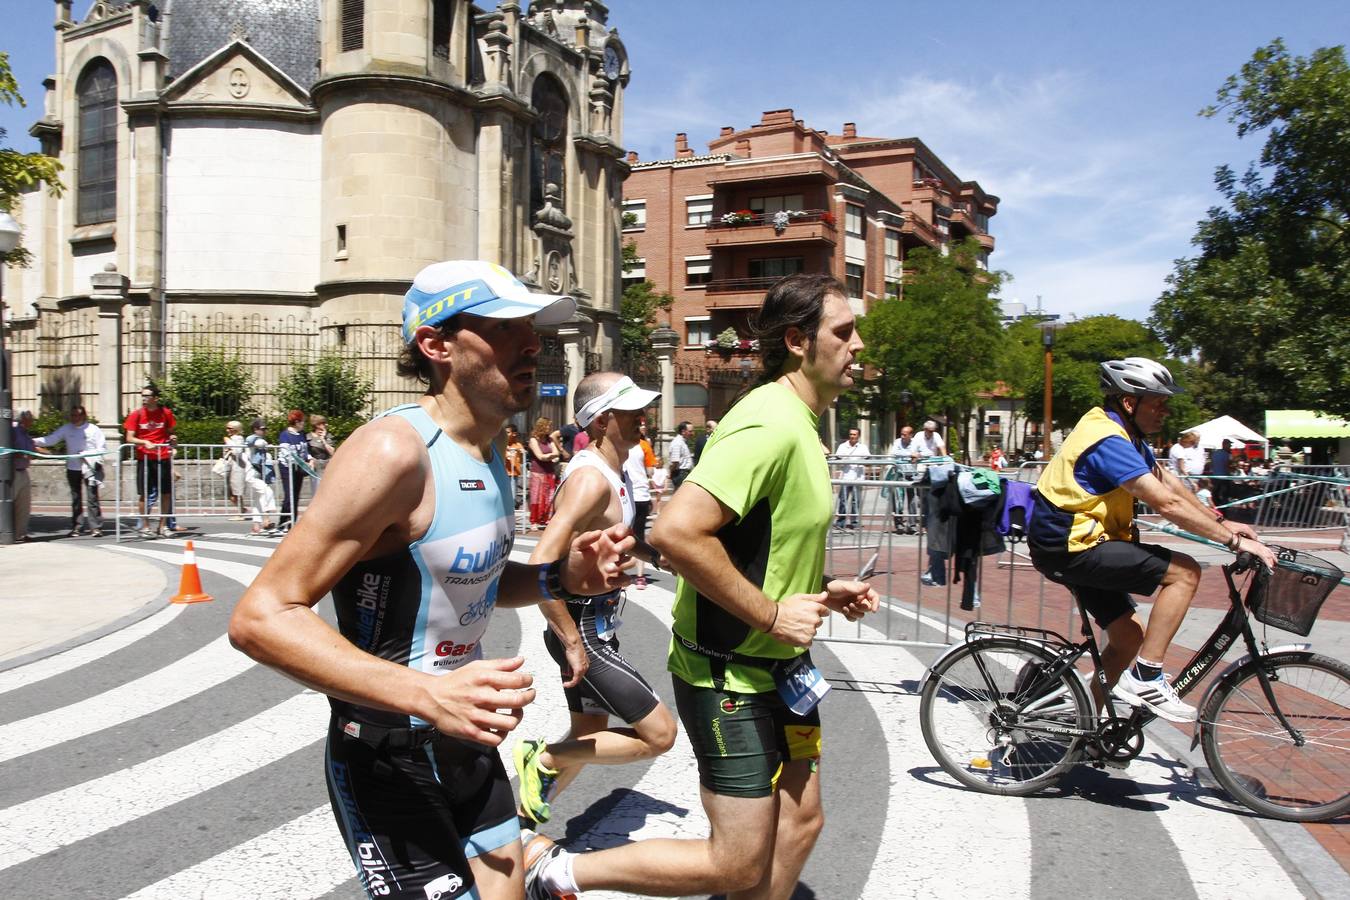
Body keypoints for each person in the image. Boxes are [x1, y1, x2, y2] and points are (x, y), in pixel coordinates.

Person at [228, 259, 634, 900]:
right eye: (505, 329)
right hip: (389, 752)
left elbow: (472, 583)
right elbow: (261, 617)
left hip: (466, 743)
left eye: (533, 328)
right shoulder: (395, 452)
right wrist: (426, 693)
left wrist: (561, 577)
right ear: (436, 345)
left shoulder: (488, 450)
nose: (532, 344)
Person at [522, 272, 880, 899]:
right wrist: (771, 615)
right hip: (729, 673)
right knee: (736, 862)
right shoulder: (768, 422)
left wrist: (822, 589)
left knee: (801, 823)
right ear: (798, 340)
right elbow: (678, 533)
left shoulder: (801, 420)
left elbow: (759, 542)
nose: (857, 347)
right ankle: (553, 870)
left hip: (784, 672)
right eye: (843, 334)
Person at [1028, 358, 1275, 722]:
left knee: (1127, 637)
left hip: (1082, 544)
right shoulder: (1107, 439)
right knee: (1185, 573)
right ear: (1130, 402)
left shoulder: (1126, 435)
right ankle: (1146, 677)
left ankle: (1086, 726)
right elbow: (1166, 502)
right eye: (1158, 401)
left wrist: (1222, 521)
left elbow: (1170, 483)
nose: (1165, 410)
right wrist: (1233, 543)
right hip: (1070, 547)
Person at [513, 372, 675, 828]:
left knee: (589, 735)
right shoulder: (590, 480)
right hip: (583, 628)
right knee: (660, 735)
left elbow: (622, 535)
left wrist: (659, 557)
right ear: (603, 420)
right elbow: (541, 559)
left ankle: (515, 830)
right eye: (633, 412)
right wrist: (569, 639)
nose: (644, 420)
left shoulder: (615, 470)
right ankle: (543, 758)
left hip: (596, 626)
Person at [32, 405, 107, 537]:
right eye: (73, 415)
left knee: (92, 498)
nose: (75, 418)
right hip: (73, 468)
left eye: (78, 415)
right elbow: (51, 439)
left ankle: (96, 527)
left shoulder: (94, 429)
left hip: (89, 468)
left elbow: (102, 448)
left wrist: (86, 453)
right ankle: (77, 526)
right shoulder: (67, 428)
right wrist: (32, 441)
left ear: (84, 416)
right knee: (76, 498)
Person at [123, 386, 177, 536]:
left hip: (163, 456)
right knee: (144, 494)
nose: (144, 399)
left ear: (155, 398)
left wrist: (173, 438)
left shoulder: (166, 413)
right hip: (145, 458)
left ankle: (163, 526)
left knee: (166, 493)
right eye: (142, 396)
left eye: (147, 396)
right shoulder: (136, 415)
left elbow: (170, 432)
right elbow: (129, 437)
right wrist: (144, 442)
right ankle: (145, 527)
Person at [625, 425, 656, 589]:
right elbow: (651, 471)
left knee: (621, 535)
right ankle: (640, 576)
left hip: (624, 494)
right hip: (642, 494)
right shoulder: (645, 446)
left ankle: (618, 573)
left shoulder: (621, 444)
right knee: (639, 536)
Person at [240, 418, 278, 535]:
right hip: (252, 473)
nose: (265, 431)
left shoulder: (260, 439)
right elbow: (256, 443)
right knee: (266, 492)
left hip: (259, 473)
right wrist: (266, 444)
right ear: (255, 429)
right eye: (262, 429)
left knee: (259, 498)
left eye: (265, 429)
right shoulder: (252, 438)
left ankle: (256, 526)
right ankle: (266, 520)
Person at [832, 426, 869, 529]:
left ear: (858, 436)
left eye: (854, 434)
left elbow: (868, 459)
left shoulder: (863, 447)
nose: (852, 436)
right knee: (843, 500)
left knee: (856, 501)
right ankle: (841, 522)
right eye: (851, 434)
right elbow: (838, 458)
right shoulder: (842, 446)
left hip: (858, 478)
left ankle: (855, 522)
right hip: (845, 477)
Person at [528, 417, 561, 529]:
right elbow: (540, 456)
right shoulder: (533, 440)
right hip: (537, 472)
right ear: (541, 426)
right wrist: (550, 456)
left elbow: (556, 453)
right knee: (536, 497)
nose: (549, 428)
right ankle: (534, 521)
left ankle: (546, 519)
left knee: (549, 497)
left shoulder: (549, 440)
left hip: (549, 471)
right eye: (547, 425)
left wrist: (548, 456)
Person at [889, 424, 921, 534]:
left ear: (910, 435)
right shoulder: (897, 442)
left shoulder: (916, 443)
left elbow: (923, 453)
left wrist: (918, 455)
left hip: (911, 474)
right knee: (897, 500)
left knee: (912, 500)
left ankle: (912, 525)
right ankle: (899, 525)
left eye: (905, 434)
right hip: (898, 474)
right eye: (901, 434)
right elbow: (895, 453)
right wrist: (910, 454)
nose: (902, 436)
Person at [10, 410, 36, 540]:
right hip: (12, 472)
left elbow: (32, 449)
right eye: (31, 418)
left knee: (24, 505)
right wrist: (24, 455)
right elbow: (8, 451)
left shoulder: (25, 433)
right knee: (9, 504)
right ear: (24, 419)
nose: (33, 420)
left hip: (23, 471)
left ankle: (20, 534)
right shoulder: (13, 431)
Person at [504, 424, 526, 510]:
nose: (506, 434)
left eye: (508, 432)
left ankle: (511, 510)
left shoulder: (518, 445)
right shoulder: (503, 444)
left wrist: (520, 451)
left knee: (513, 494)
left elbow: (523, 453)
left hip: (513, 473)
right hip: (503, 472)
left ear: (514, 434)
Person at [667, 421, 693, 487]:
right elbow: (675, 461)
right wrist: (670, 473)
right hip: (680, 474)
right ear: (683, 431)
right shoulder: (677, 443)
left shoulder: (682, 442)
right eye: (690, 431)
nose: (692, 433)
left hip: (683, 473)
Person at [1209, 438, 1232, 506]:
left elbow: (1211, 464)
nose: (1230, 446)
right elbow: (1227, 466)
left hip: (1215, 476)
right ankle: (1223, 509)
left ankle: (1216, 507)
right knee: (1225, 494)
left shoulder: (1215, 453)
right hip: (1224, 477)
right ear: (1224, 445)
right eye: (1229, 445)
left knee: (1215, 493)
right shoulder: (1227, 454)